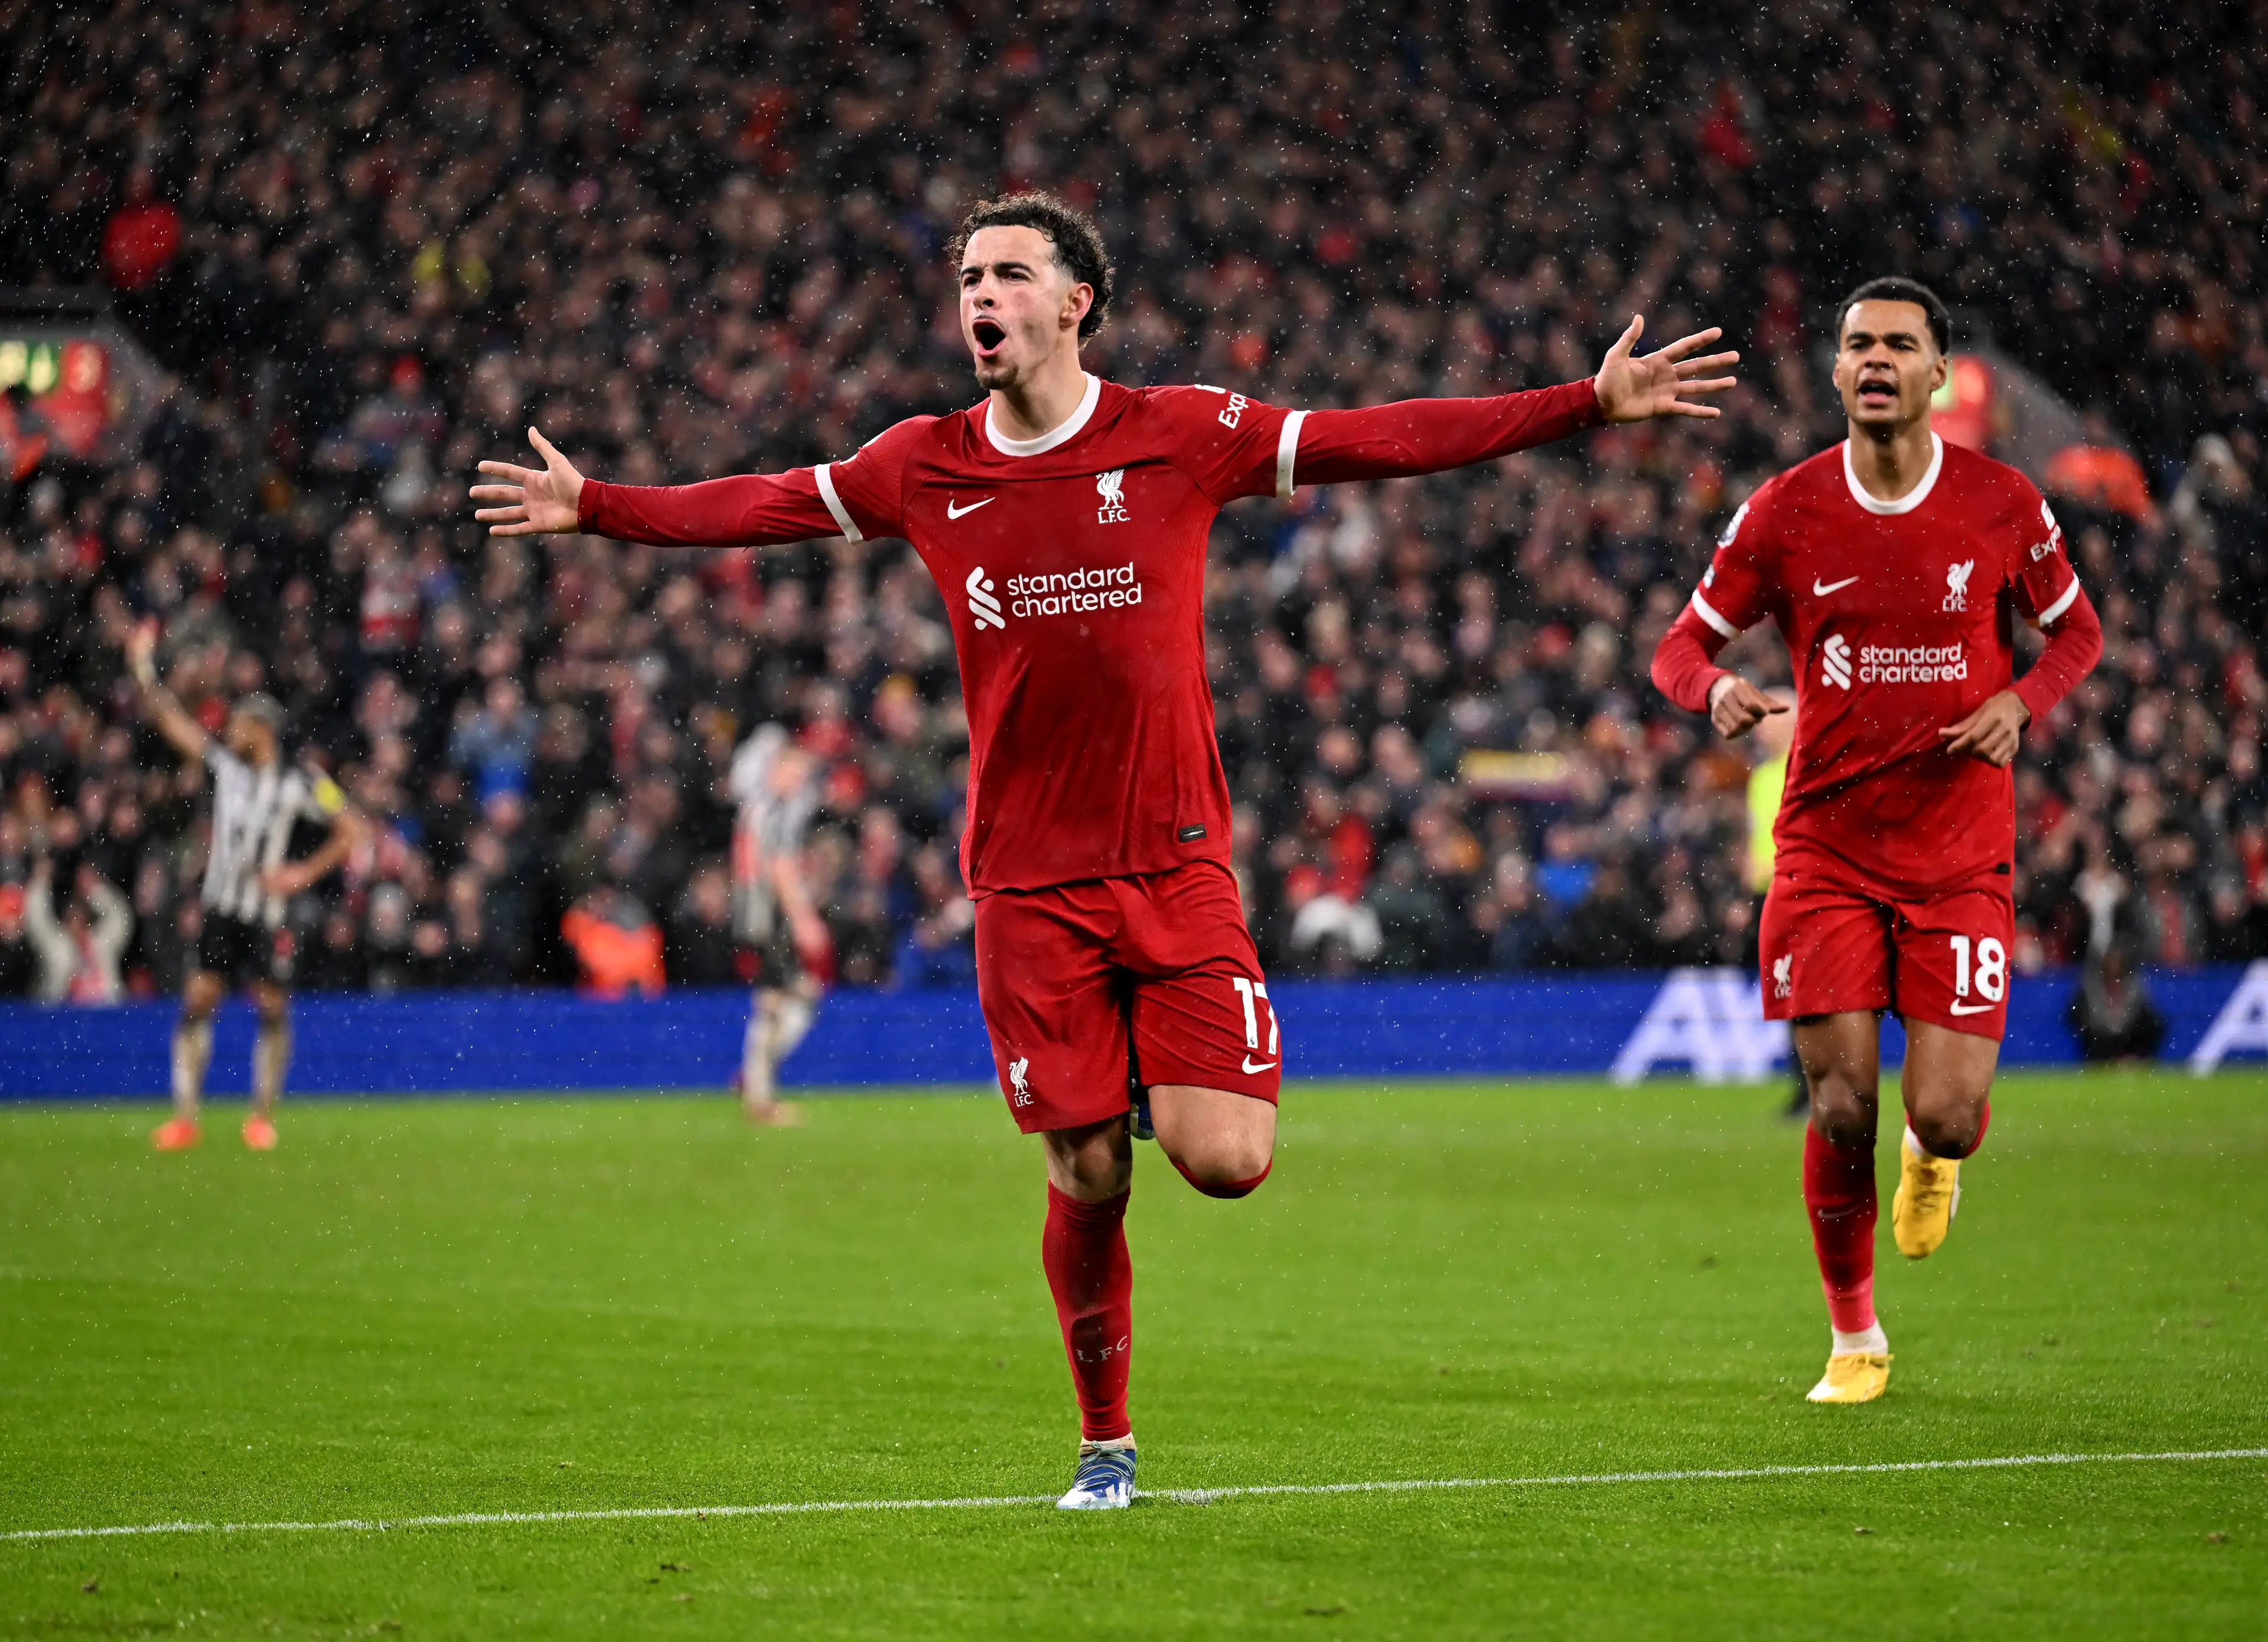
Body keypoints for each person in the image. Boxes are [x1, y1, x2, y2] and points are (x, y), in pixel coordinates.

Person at [474, 190, 1737, 1505]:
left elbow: (1385, 440)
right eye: (968, 276)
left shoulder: (1184, 434)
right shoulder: (924, 463)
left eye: (1009, 274)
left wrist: (1582, 403)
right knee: (1085, 1168)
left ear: (1076, 302)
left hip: (1175, 863)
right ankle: (1106, 1443)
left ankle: (1143, 1064)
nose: (980, 296)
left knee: (1228, 1160)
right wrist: (602, 506)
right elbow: (760, 503)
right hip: (1025, 882)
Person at [1650, 277, 2102, 1405]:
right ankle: (1855, 1337)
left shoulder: (2001, 503)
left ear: (1941, 372)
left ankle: (1933, 1157)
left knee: (1944, 1113)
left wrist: (2024, 701)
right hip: (1826, 850)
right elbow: (1678, 648)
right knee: (1842, 1101)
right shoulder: (1785, 511)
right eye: (1859, 346)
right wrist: (1712, 692)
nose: (1877, 361)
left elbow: (2077, 633)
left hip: (1957, 854)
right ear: (1837, 372)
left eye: (1901, 345)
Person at [126, 621, 366, 1151]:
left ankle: (261, 1117)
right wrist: (143, 666)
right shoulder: (224, 768)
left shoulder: (303, 782)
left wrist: (304, 873)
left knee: (273, 1006)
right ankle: (186, 1117)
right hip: (221, 908)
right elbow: (170, 720)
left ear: (263, 729)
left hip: (266, 915)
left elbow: (352, 828)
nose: (231, 728)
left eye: (240, 723)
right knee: (199, 1000)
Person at [726, 724, 826, 1126]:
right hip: (767, 917)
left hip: (751, 915)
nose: (800, 782)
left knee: (772, 1000)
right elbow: (780, 869)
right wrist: (805, 919)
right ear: (779, 770)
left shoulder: (755, 806)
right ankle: (758, 1091)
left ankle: (756, 1086)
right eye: (796, 772)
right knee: (795, 998)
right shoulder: (777, 809)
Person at [21, 856, 133, 1003]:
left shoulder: (102, 942)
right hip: (64, 1015)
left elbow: (121, 918)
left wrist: (96, 889)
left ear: (88, 921)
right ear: (64, 921)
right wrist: (41, 882)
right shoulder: (57, 945)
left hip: (106, 1011)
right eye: (72, 919)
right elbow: (36, 921)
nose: (76, 924)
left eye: (80, 919)